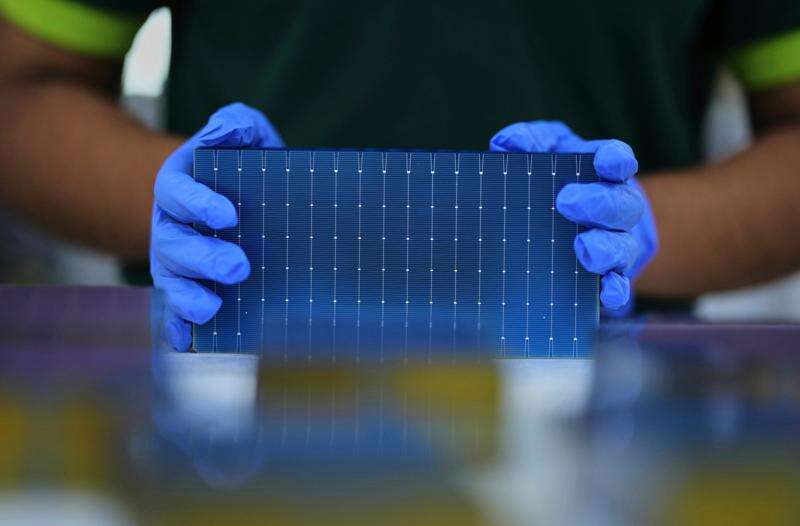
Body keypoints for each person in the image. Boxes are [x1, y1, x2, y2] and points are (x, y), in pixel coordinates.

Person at [0, 1, 799, 350]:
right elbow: (20, 91)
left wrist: (640, 229)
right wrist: (196, 206)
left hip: (613, 407)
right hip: (235, 397)